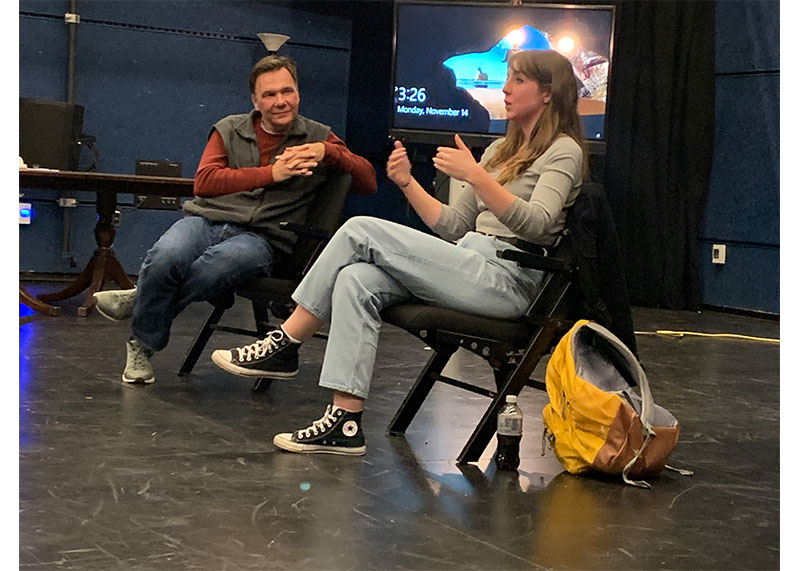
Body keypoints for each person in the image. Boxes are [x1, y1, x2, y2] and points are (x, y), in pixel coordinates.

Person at [212, 49, 586, 456]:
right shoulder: (499, 151)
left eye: (517, 81)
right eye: (508, 78)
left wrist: (476, 176)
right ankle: (345, 421)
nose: (505, 89)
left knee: (359, 230)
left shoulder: (564, 151)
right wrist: (408, 183)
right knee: (358, 279)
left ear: (547, 94)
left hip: (509, 278)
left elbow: (538, 223)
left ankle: (285, 342)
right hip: (470, 258)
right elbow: (452, 225)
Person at [93, 55, 377, 385]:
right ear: (255, 100)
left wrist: (328, 153)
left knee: (217, 267)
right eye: (269, 95)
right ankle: (147, 297)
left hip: (263, 239)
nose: (281, 101)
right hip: (206, 221)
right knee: (165, 257)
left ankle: (141, 330)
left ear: (298, 92)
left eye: (288, 91)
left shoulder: (318, 136)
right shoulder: (229, 128)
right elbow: (205, 182)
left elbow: (368, 181)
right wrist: (272, 173)